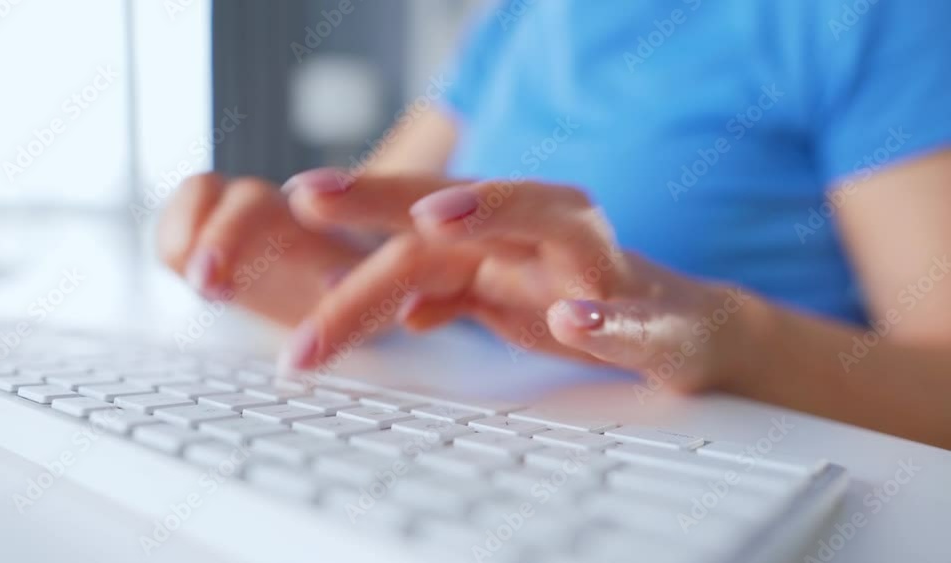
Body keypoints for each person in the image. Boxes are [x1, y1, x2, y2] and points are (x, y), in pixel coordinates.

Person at [156, 1, 951, 447]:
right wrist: (287, 259)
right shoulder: (519, 17)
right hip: (477, 451)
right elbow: (370, 236)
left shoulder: (873, 16)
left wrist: (730, 337)